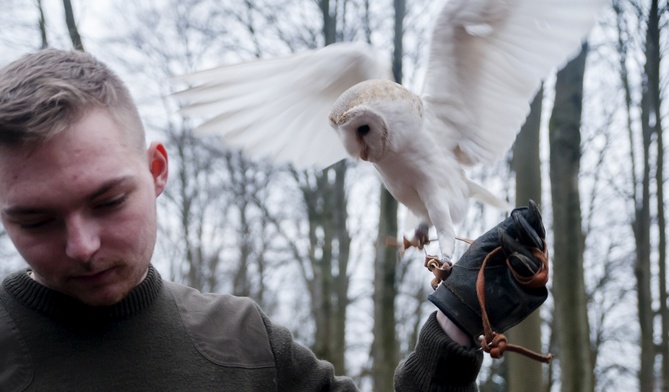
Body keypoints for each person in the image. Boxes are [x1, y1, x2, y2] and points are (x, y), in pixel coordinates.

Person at [0, 49, 549, 392]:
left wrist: (452, 334)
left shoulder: (244, 343)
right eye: (36, 221)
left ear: (157, 170)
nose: (82, 246)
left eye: (109, 201)